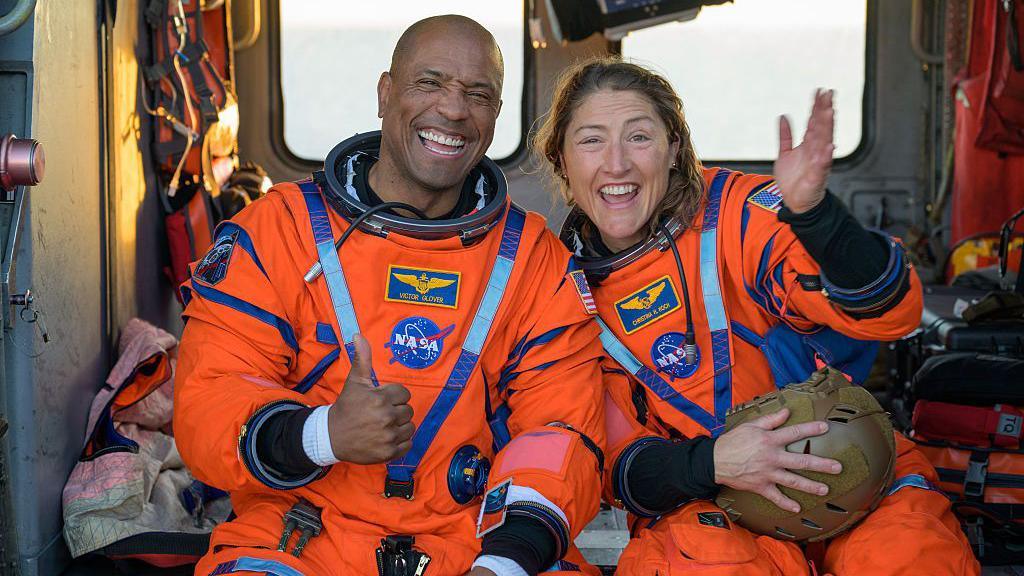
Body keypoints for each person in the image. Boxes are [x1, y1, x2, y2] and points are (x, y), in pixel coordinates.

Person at [174, 16, 606, 576]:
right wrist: (322, 433)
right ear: (384, 92)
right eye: (430, 82)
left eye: (478, 94)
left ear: (496, 116)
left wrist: (505, 562)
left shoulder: (533, 261)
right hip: (301, 534)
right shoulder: (279, 231)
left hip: (473, 540)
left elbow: (561, 432)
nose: (453, 110)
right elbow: (209, 401)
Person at [534, 57, 979, 575]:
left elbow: (889, 312)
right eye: (591, 141)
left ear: (674, 149)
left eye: (639, 137)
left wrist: (817, 220)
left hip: (846, 462)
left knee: (909, 556)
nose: (616, 164)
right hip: (708, 500)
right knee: (704, 565)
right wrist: (716, 462)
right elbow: (617, 467)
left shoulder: (739, 216)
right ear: (561, 159)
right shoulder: (558, 290)